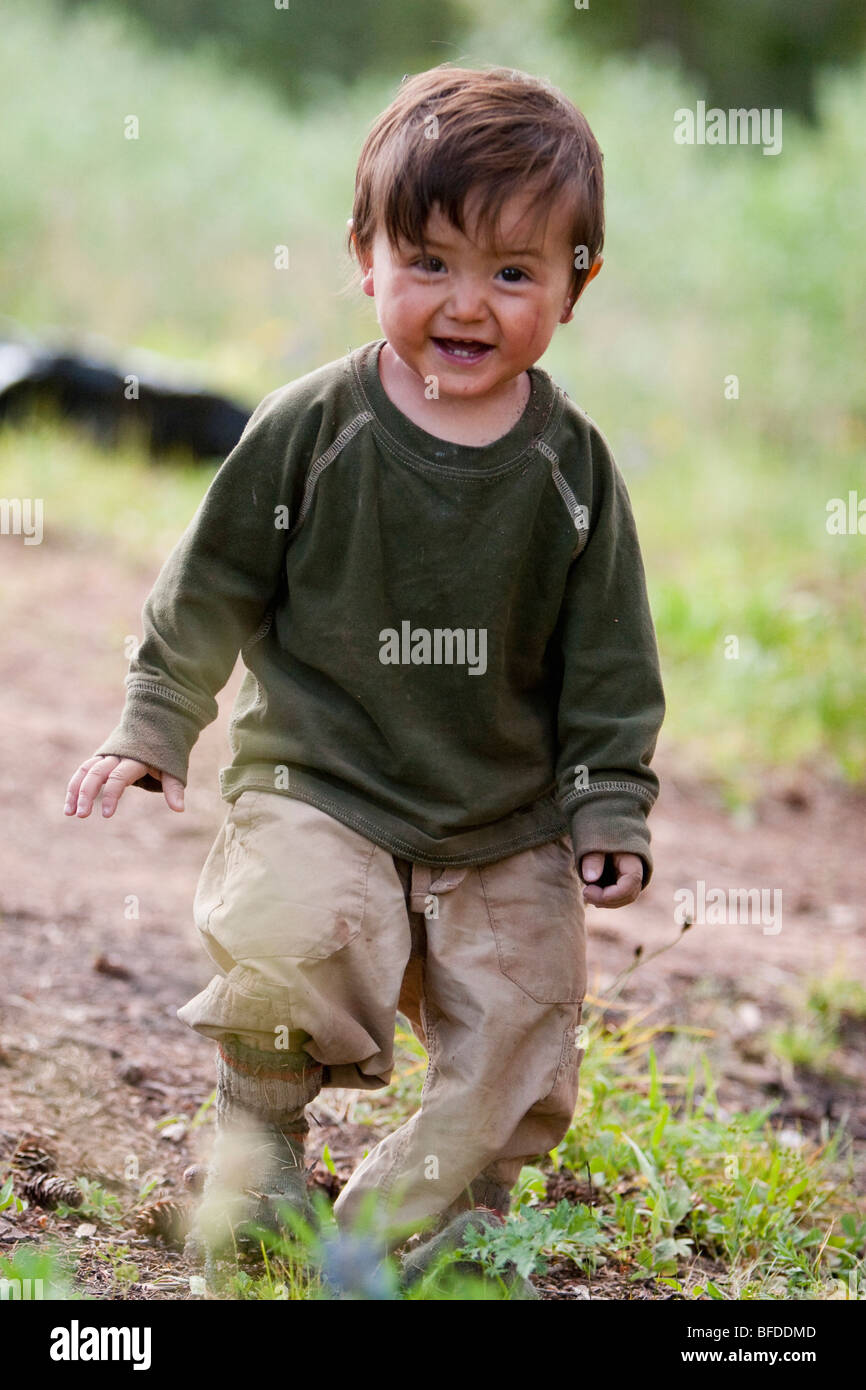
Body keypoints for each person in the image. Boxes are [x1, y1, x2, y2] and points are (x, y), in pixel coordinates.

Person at [63, 63, 665, 1292]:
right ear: (366, 254)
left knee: (522, 1008)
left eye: (512, 272)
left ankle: (441, 1207)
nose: (466, 301)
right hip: (319, 773)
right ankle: (257, 1152)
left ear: (574, 285)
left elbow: (609, 654)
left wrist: (609, 802)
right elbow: (214, 577)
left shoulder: (572, 470)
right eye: (429, 259)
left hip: (502, 808)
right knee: (296, 928)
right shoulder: (311, 424)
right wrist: (155, 720)